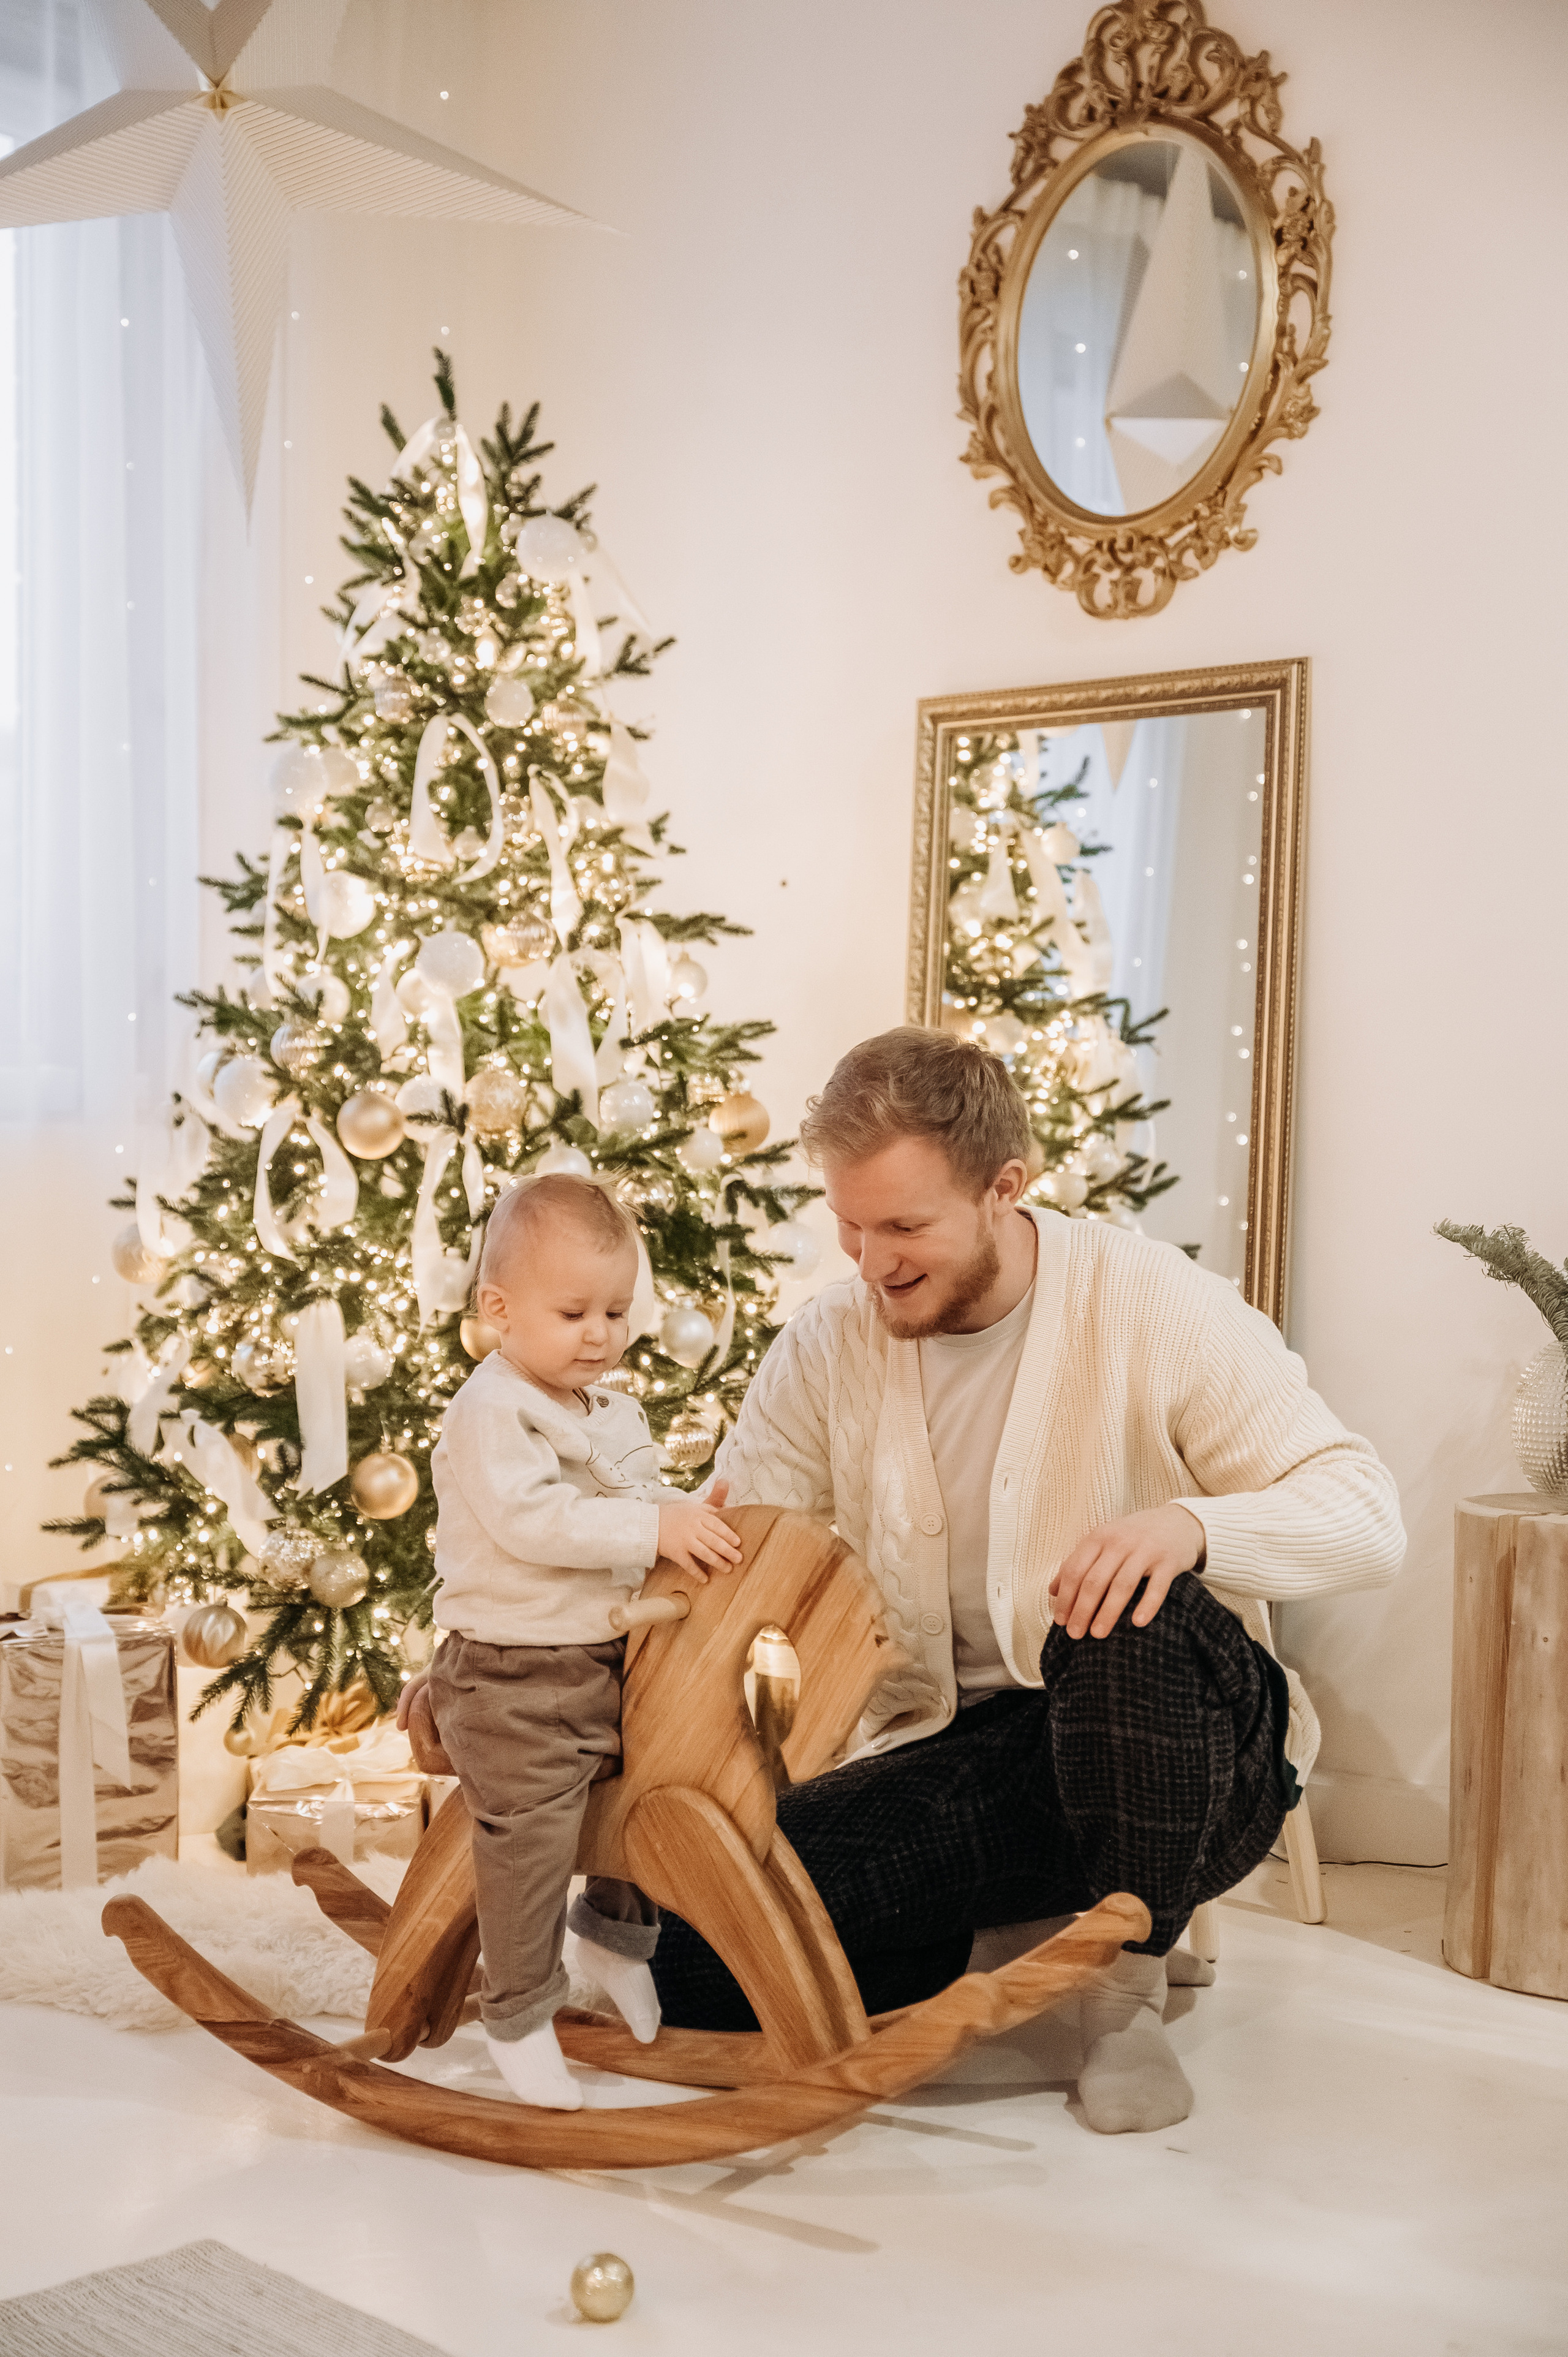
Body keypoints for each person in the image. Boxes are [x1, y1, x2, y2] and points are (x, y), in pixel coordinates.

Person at [650, 1028, 1405, 2133]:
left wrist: (1187, 1529)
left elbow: (1366, 1514)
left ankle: (1121, 1993)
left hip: (1188, 1743)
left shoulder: (1150, 1301)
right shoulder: (826, 1348)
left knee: (1115, 1610)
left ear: (1006, 1188)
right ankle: (1038, 1926)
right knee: (698, 1965)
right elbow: (743, 1564)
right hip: (977, 1753)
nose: (872, 1262)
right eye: (850, 1226)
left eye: (905, 1226)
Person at [423, 1173, 741, 2111]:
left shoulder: (611, 1410)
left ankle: (613, 1930)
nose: (600, 1334)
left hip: (603, 1658)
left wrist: (677, 1512)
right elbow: (537, 1523)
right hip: (511, 1674)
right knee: (531, 1838)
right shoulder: (494, 1412)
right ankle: (517, 2013)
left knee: (646, 1794)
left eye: (615, 1309)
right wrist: (651, 1532)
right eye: (573, 1313)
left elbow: (633, 1494)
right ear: (499, 1309)